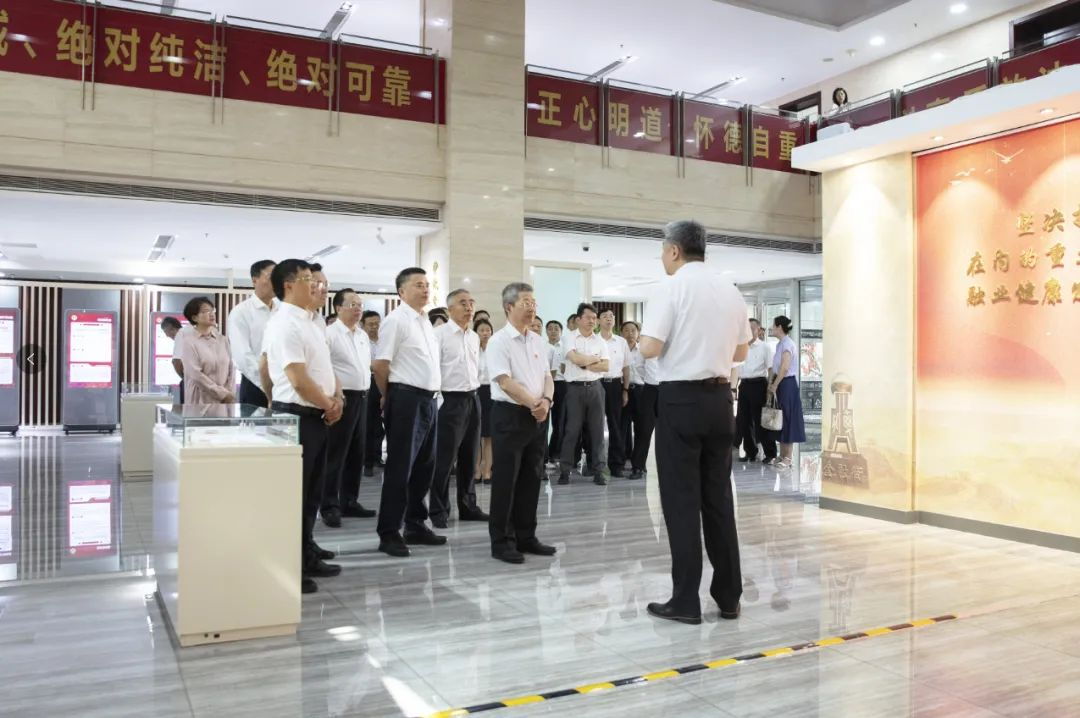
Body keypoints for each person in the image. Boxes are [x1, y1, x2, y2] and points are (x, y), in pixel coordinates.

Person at [640, 220, 751, 625]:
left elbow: (650, 348)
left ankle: (686, 600)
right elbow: (741, 352)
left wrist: (655, 344)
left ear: (673, 250)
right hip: (721, 401)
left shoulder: (671, 287)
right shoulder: (730, 290)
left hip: (681, 400)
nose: (662, 258)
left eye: (662, 251)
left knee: (681, 501)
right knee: (718, 500)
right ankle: (729, 597)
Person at [262, 259, 343, 595]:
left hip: (317, 415)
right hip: (297, 416)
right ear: (288, 285)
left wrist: (335, 398)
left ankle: (306, 552)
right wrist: (329, 404)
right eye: (308, 279)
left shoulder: (311, 321)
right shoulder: (285, 323)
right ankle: (289, 565)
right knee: (294, 497)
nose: (316, 285)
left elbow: (323, 368)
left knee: (311, 493)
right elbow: (297, 378)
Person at [372, 267, 443, 557]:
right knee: (400, 468)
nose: (425, 289)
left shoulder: (425, 322)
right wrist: (389, 397)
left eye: (427, 285)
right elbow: (380, 365)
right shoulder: (396, 320)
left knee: (425, 467)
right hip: (406, 399)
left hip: (429, 400)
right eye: (418, 285)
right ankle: (389, 532)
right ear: (401, 291)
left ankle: (415, 524)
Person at [486, 282, 556, 564]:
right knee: (506, 480)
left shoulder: (538, 340)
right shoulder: (499, 341)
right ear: (509, 307)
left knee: (531, 478)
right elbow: (504, 382)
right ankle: (502, 541)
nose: (532, 308)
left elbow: (548, 376)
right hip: (510, 415)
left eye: (534, 303)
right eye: (526, 302)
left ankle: (526, 536)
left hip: (538, 416)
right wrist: (534, 405)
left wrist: (546, 402)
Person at [430, 289, 489, 528]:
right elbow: (432, 370)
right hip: (449, 401)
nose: (469, 307)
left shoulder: (473, 336)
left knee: (469, 456)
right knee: (444, 459)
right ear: (450, 308)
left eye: (471, 302)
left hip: (473, 399)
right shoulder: (438, 335)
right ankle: (438, 509)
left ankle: (468, 506)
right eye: (463, 303)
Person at [321, 288, 376, 528]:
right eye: (352, 304)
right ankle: (329, 505)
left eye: (360, 304)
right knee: (336, 454)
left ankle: (350, 501)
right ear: (338, 308)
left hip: (363, 397)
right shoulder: (329, 334)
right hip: (341, 398)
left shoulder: (362, 335)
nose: (358, 308)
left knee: (357, 452)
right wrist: (335, 396)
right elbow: (324, 368)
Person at [558, 303, 610, 486]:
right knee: (571, 431)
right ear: (579, 319)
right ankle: (565, 471)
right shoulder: (569, 337)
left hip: (596, 388)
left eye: (594, 318)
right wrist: (594, 359)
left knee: (597, 432)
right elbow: (574, 359)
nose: (592, 321)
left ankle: (599, 471)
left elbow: (606, 366)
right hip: (574, 389)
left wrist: (584, 362)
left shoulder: (600, 341)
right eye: (588, 317)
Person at [228, 259, 278, 408]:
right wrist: (267, 385)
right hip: (255, 386)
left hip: (282, 385)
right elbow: (242, 356)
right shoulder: (241, 312)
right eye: (271, 276)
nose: (276, 281)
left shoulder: (282, 310)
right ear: (254, 280)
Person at [179, 297, 236, 405]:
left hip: (225, 400)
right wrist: (221, 394)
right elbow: (196, 375)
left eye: (212, 310)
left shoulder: (222, 340)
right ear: (194, 318)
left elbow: (231, 368)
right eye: (206, 311)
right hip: (200, 400)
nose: (212, 314)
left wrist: (228, 392)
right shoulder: (189, 342)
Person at [735, 318, 776, 464]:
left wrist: (770, 387)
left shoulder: (765, 347)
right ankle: (750, 452)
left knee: (761, 421)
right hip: (744, 385)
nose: (749, 331)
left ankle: (770, 453)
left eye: (752, 328)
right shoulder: (741, 347)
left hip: (759, 385)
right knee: (744, 421)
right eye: (747, 328)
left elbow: (770, 369)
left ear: (759, 330)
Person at [767, 316, 806, 469]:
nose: (771, 328)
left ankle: (788, 457)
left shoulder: (788, 344)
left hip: (787, 384)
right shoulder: (780, 344)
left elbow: (784, 367)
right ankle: (782, 455)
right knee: (780, 419)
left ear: (779, 327)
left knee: (788, 419)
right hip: (781, 383)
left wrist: (775, 385)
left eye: (773, 325)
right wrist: (772, 383)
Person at [621, 320, 656, 480]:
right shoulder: (618, 349)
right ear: (621, 333)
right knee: (621, 428)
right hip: (622, 390)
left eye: (633, 330)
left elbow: (651, 371)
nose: (630, 333)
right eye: (626, 330)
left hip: (642, 391)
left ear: (638, 333)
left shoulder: (644, 349)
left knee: (643, 429)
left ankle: (638, 465)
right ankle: (620, 461)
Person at [598, 309, 630, 478]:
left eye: (611, 316)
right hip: (597, 384)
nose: (608, 319)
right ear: (598, 321)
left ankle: (616, 464)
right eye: (605, 316)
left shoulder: (621, 342)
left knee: (615, 425)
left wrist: (625, 390)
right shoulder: (593, 341)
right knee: (594, 426)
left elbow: (626, 368)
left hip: (616, 386)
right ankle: (595, 463)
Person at [361, 310, 385, 477]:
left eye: (377, 323)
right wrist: (376, 365)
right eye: (370, 324)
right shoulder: (361, 341)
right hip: (368, 382)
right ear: (363, 325)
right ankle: (367, 462)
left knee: (381, 425)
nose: (374, 327)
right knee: (369, 424)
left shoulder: (384, 340)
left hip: (384, 381)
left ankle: (377, 456)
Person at [475, 318, 495, 485]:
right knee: (475, 435)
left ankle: (488, 470)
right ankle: (476, 470)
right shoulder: (472, 350)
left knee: (488, 436)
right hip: (475, 392)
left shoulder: (495, 350)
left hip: (491, 393)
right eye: (481, 330)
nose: (485, 333)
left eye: (488, 330)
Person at [545, 320, 566, 468]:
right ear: (546, 331)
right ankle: (543, 455)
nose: (553, 331)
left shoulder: (565, 348)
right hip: (545, 385)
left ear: (561, 331)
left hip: (561, 385)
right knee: (543, 422)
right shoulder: (542, 347)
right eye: (550, 329)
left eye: (556, 328)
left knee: (559, 422)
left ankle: (554, 454)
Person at [161, 316, 188, 403]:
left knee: (187, 408)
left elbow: (176, 361)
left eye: (165, 332)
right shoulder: (188, 334)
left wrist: (184, 378)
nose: (166, 335)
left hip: (189, 380)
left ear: (171, 328)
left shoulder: (179, 335)